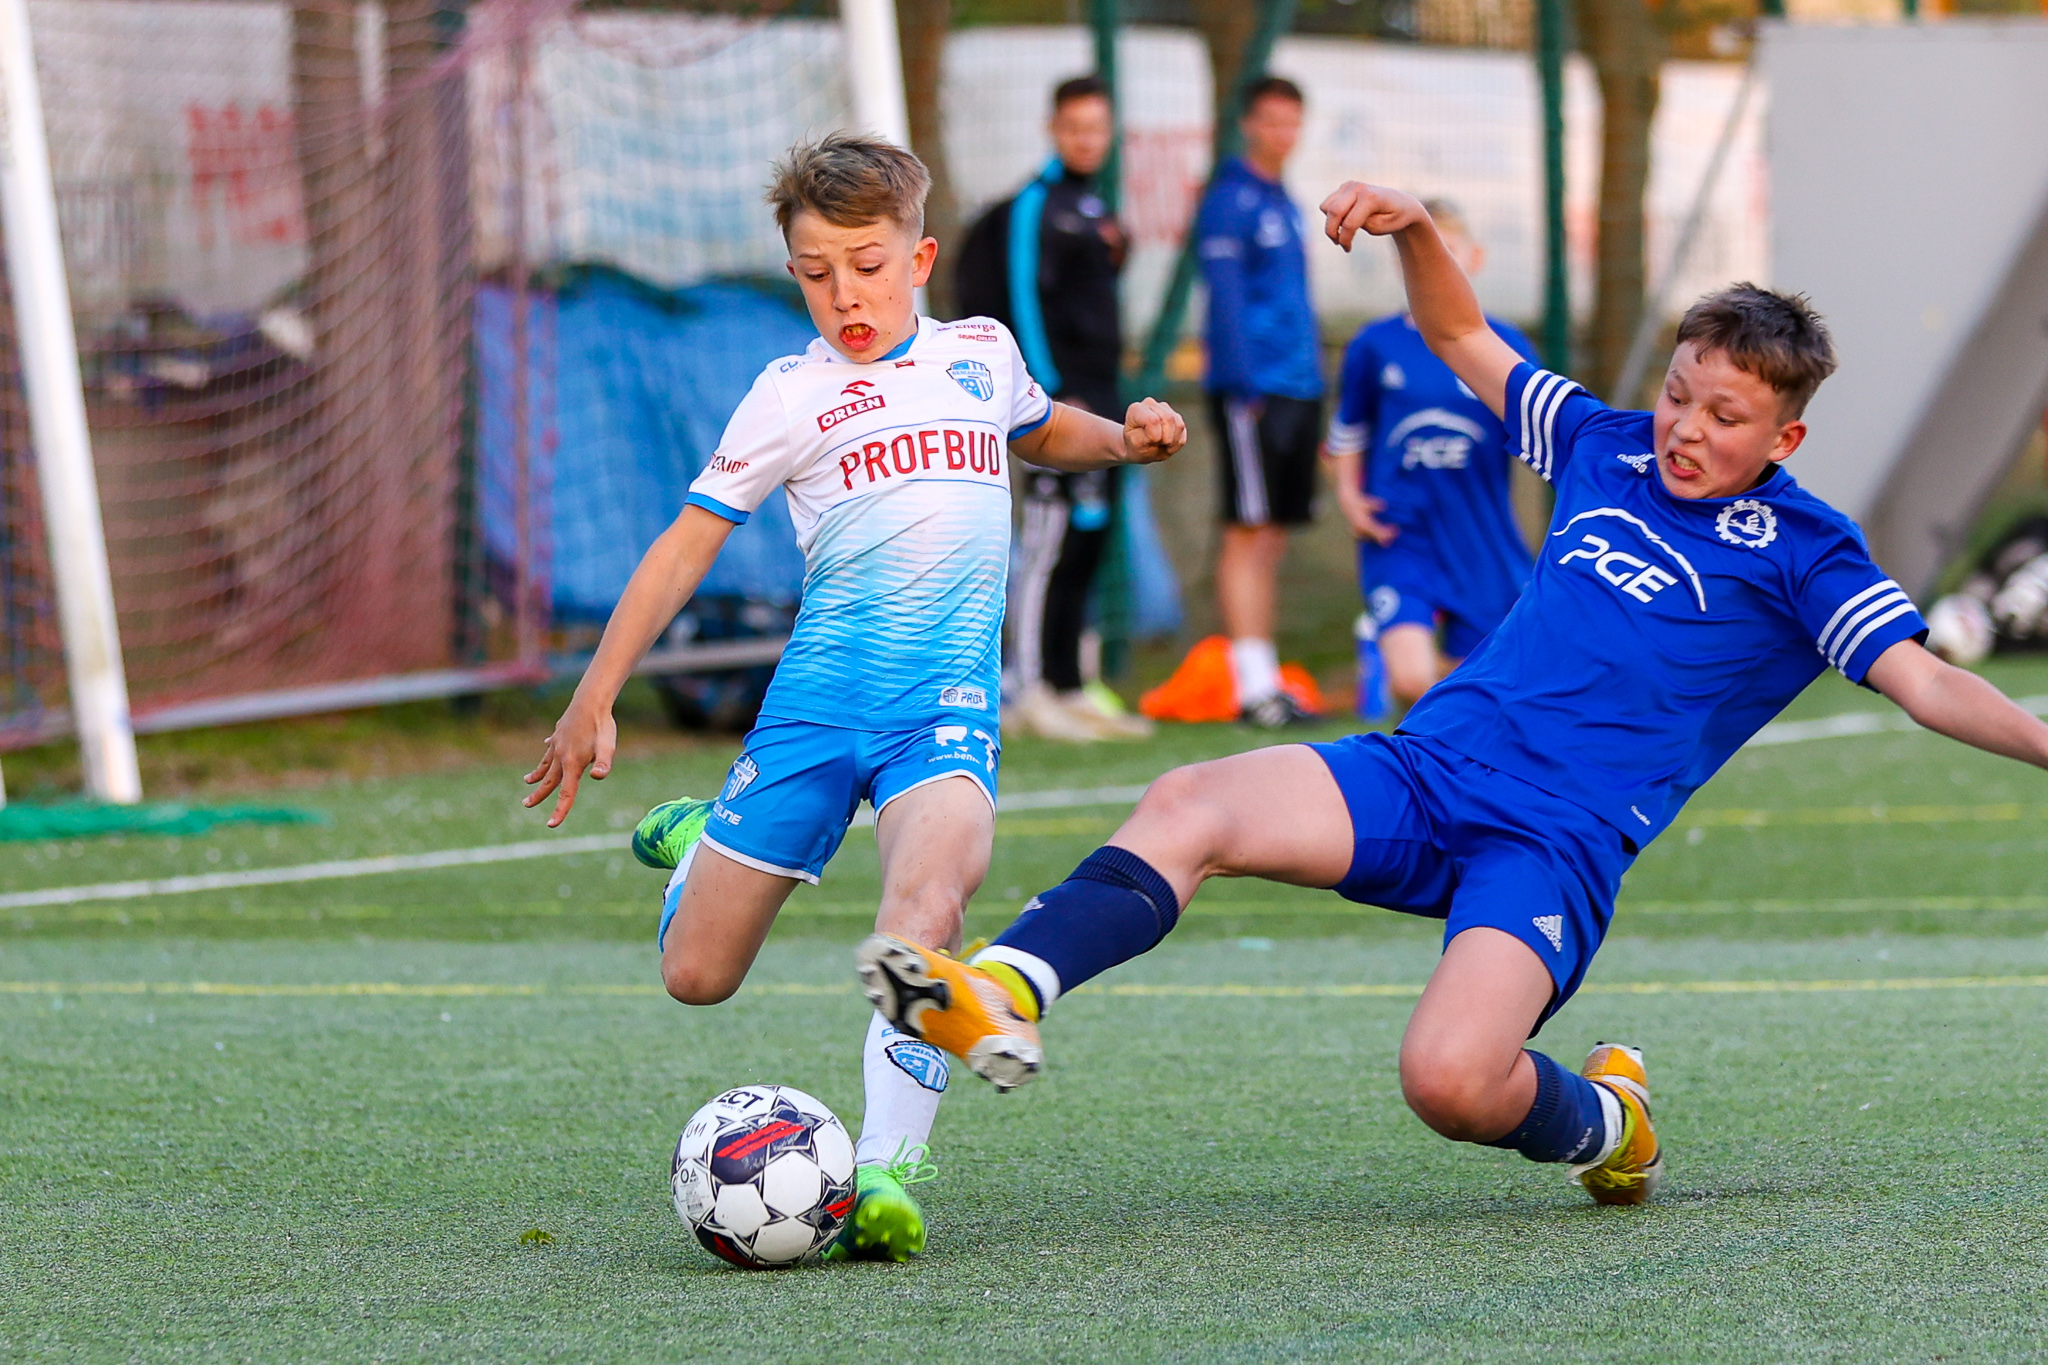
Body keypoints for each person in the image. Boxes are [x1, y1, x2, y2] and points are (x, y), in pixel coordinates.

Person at [852, 181, 2048, 1209]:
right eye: (1680, 391)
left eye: (1723, 417)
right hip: (1425, 772)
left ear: (1781, 438)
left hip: (1553, 842)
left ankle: (1611, 1124)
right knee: (1186, 802)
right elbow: (1460, 331)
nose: (1683, 426)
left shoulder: (1803, 547)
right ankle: (1001, 990)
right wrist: (1415, 229)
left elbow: (1925, 680)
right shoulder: (1604, 443)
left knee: (1450, 1082)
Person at [521, 133, 1185, 1260]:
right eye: (816, 272)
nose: (845, 295)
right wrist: (594, 695)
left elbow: (1036, 426)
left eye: (867, 265)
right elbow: (684, 546)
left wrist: (1121, 437)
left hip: (942, 716)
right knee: (695, 978)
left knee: (925, 917)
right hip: (811, 718)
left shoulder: (977, 355)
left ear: (918, 257)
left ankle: (884, 1174)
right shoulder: (787, 396)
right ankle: (698, 844)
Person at [956, 74, 1148, 742]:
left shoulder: (1095, 207)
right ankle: (1027, 685)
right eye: (1075, 128)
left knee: (1088, 538)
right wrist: (1048, 387)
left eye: (1098, 128)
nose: (1086, 140)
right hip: (1058, 403)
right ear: (1053, 128)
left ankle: (1070, 684)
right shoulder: (1033, 206)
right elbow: (1022, 300)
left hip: (1105, 403)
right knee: (1042, 544)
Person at [1325, 200, 1540, 709]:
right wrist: (1349, 499)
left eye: (1449, 251)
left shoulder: (1505, 344)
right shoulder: (1375, 345)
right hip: (1400, 532)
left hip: (1479, 534)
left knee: (1502, 686)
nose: (1436, 264)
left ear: (1476, 258)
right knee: (1410, 680)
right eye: (1421, 254)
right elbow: (1347, 435)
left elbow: (1541, 433)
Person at [1196, 75, 1325, 728]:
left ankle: (1265, 675)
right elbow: (1223, 301)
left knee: (1271, 533)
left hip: (1299, 385)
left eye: (1292, 121)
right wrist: (1244, 385)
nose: (1283, 133)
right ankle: (1252, 687)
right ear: (1249, 123)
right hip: (1256, 390)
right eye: (1271, 120)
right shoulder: (1230, 200)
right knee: (1246, 532)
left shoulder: (1288, 201)